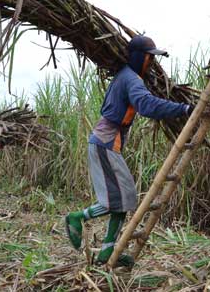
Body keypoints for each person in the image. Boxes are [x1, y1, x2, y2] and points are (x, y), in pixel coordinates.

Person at [65, 36, 193, 268]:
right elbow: (146, 105)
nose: (151, 62)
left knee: (124, 198)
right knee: (123, 198)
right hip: (105, 142)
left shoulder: (124, 76)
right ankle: (78, 218)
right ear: (138, 57)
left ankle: (106, 252)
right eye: (149, 57)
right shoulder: (131, 79)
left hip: (106, 142)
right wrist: (183, 108)